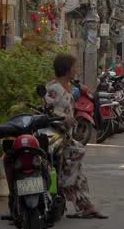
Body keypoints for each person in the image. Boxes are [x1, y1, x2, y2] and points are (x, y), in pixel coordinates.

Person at [44, 53, 107, 219]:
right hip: (56, 138)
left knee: (77, 173)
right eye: (74, 67)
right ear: (66, 70)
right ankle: (69, 192)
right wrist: (64, 117)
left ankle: (85, 206)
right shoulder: (53, 88)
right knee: (74, 164)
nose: (76, 70)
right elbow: (46, 110)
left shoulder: (69, 86)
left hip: (67, 136)